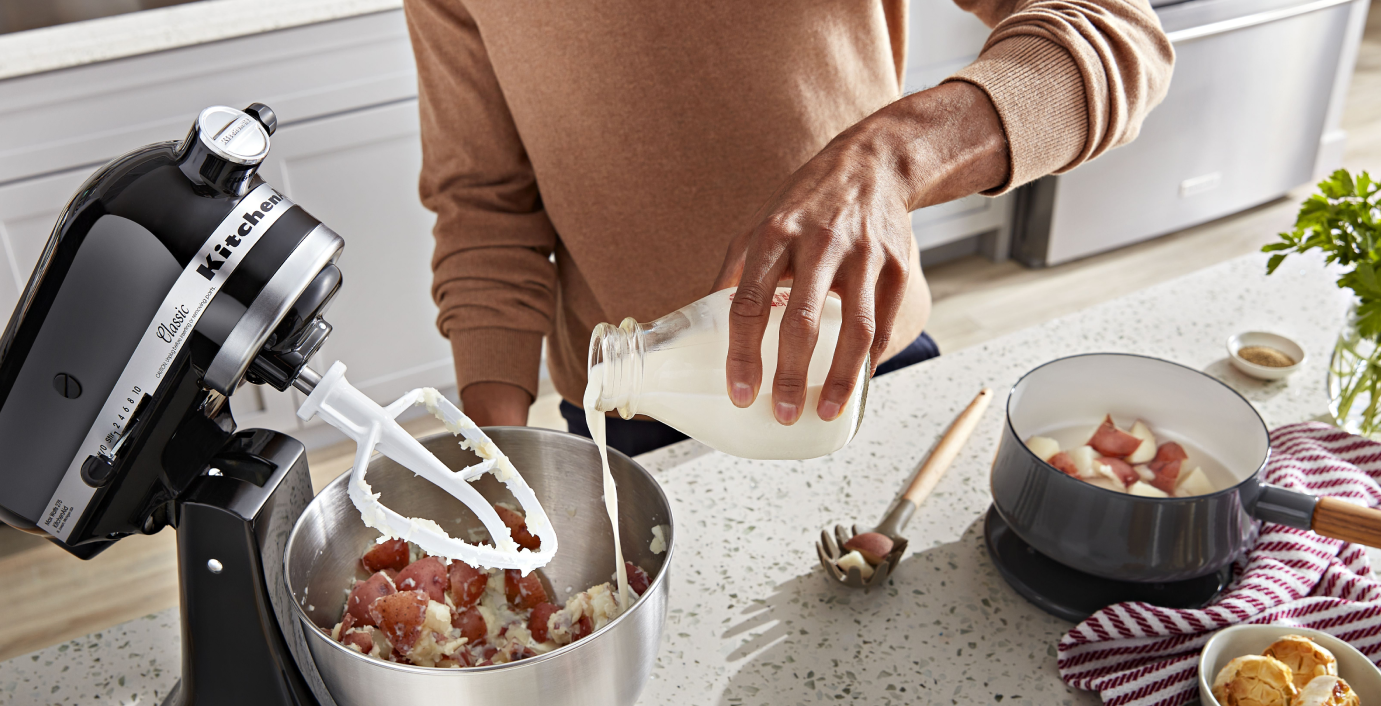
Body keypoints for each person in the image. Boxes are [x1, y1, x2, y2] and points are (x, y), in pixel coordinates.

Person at [406, 0, 1173, 455]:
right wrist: (492, 456)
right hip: (630, 416)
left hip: (860, 365)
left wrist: (889, 159)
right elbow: (483, 198)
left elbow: (1117, 31)